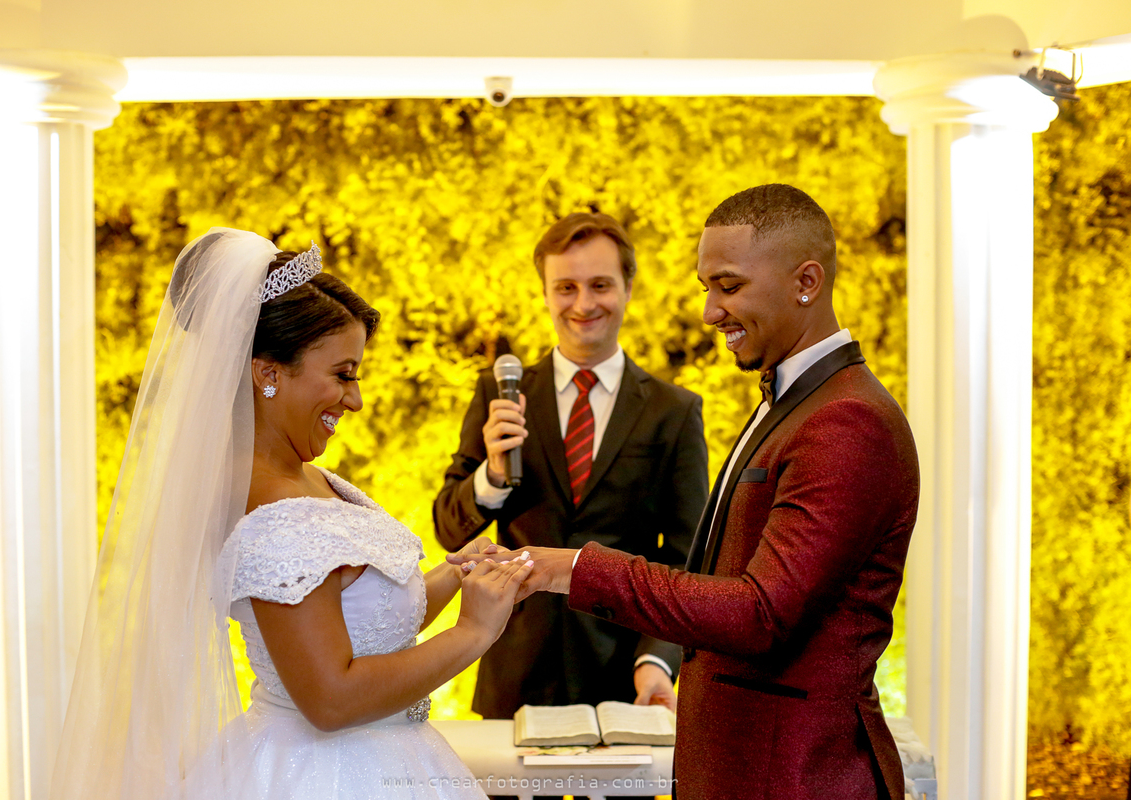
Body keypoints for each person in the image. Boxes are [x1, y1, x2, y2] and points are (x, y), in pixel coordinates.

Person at [457, 185, 920, 800]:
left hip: (790, 773)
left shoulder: (845, 421)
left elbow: (760, 614)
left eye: (728, 286)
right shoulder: (793, 401)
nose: (709, 312)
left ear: (806, 281)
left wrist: (571, 569)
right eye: (707, 288)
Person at [52, 228, 532, 800]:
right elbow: (331, 700)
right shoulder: (273, 513)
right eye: (343, 375)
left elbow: (368, 622)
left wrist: (458, 574)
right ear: (269, 374)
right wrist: (474, 631)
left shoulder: (306, 478)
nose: (355, 400)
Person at [433, 213, 708, 727]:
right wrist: (492, 476)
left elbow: (685, 561)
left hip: (624, 686)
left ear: (628, 288)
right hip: (512, 680)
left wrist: (655, 664)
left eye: (600, 285)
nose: (583, 304)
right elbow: (449, 529)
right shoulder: (499, 393)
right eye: (566, 287)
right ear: (545, 293)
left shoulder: (674, 412)